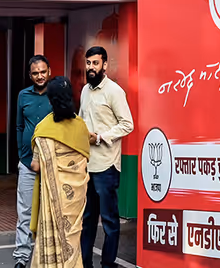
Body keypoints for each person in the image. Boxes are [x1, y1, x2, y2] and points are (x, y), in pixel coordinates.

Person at [78, 46, 133, 268]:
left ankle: (108, 264)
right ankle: (85, 263)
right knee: (87, 220)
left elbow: (127, 124)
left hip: (107, 167)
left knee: (109, 221)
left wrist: (101, 137)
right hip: (87, 166)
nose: (91, 67)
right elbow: (81, 121)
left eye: (95, 63)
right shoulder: (84, 90)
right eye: (88, 63)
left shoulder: (114, 91)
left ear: (105, 65)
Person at [29, 76, 90, 268]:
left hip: (53, 198)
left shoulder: (44, 128)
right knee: (73, 236)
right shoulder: (81, 126)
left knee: (54, 234)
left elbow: (36, 166)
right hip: (76, 198)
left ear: (50, 100)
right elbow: (84, 158)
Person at [14, 55, 53, 268]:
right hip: (27, 163)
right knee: (25, 212)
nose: (40, 76)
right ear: (30, 75)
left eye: (43, 72)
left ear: (49, 72)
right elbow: (19, 126)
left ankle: (45, 257)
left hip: (51, 164)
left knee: (48, 211)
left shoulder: (55, 94)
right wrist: (23, 155)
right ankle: (21, 257)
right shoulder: (23, 95)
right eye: (35, 73)